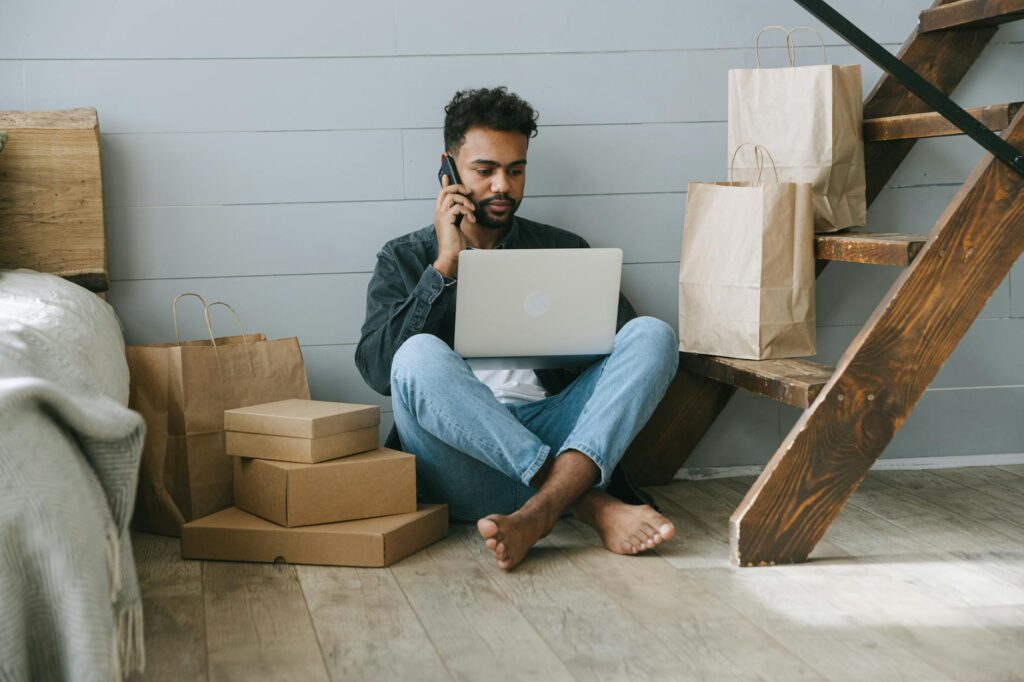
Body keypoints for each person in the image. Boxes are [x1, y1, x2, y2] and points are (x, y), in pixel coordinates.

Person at [355, 87, 679, 570]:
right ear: (448, 170)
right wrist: (445, 265)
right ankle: (584, 506)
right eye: (484, 171)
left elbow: (625, 374)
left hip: (562, 442)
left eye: (516, 169)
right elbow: (382, 372)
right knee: (417, 354)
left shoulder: (564, 249)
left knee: (653, 334)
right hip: (459, 465)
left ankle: (538, 510)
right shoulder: (403, 258)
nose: (502, 186)